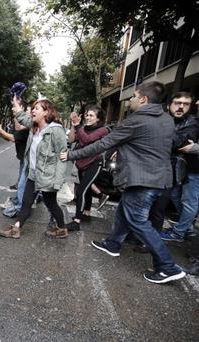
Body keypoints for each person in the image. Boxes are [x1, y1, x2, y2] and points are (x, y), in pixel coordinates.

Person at [61, 81, 186, 284]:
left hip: (142, 179)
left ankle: (167, 266)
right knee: (123, 211)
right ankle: (113, 243)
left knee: (138, 221)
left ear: (144, 99)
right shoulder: (166, 119)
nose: (131, 100)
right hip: (160, 178)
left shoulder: (135, 121)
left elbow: (102, 144)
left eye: (134, 96)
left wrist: (72, 155)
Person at [0, 99, 68, 239]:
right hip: (33, 173)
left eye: (37, 108)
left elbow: (62, 157)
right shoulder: (34, 127)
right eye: (33, 108)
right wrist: (16, 105)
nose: (33, 111)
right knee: (26, 202)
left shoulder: (56, 131)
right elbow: (23, 118)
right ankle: (16, 228)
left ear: (46, 112)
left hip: (48, 176)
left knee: (51, 203)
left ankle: (61, 228)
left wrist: (57, 181)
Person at [157, 92, 199, 242]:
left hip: (191, 168)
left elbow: (177, 143)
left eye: (186, 104)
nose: (181, 107)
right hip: (179, 169)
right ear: (169, 105)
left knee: (189, 202)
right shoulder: (166, 119)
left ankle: (179, 232)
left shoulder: (192, 122)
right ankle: (186, 227)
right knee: (175, 196)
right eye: (178, 103)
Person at [64, 104, 110, 231]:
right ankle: (87, 214)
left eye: (91, 115)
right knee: (88, 190)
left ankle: (77, 221)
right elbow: (71, 139)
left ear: (98, 118)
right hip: (81, 163)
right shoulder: (83, 128)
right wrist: (74, 125)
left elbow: (88, 139)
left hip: (95, 164)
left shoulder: (103, 130)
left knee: (81, 191)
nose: (88, 117)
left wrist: (78, 126)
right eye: (87, 115)